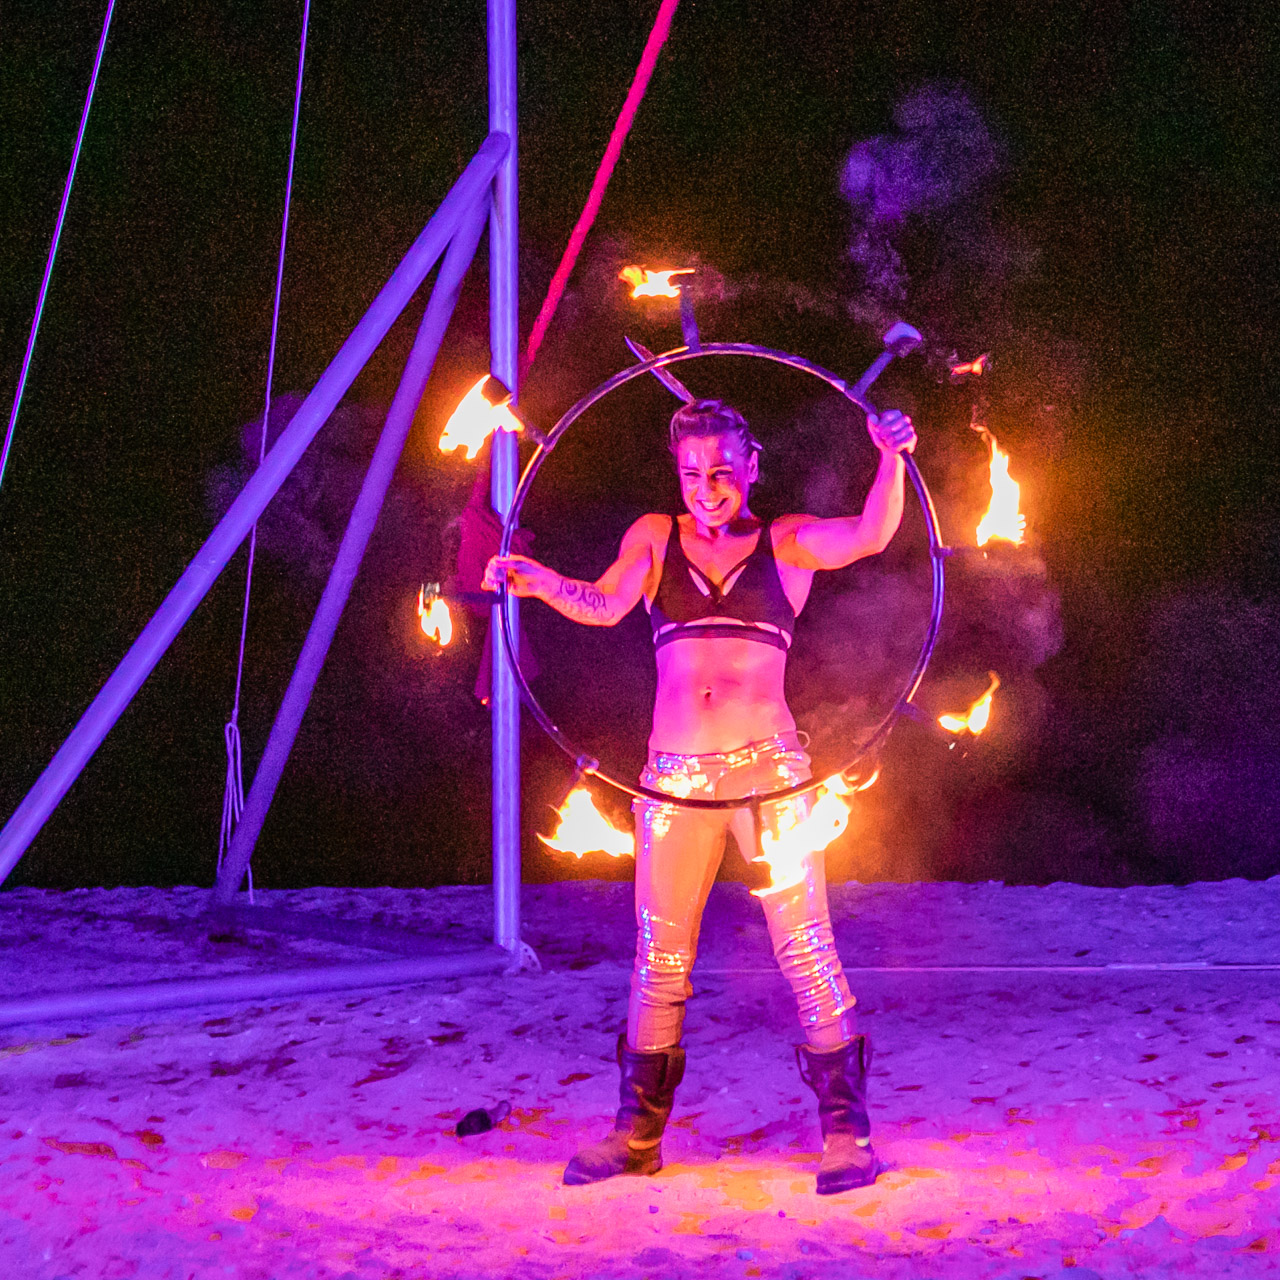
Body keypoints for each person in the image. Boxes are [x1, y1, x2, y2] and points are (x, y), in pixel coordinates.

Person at [482, 397, 917, 1195]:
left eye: (721, 470)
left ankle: (847, 1135)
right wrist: (539, 583)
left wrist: (891, 458)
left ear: (751, 467)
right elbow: (607, 603)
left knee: (806, 950)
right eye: (691, 473)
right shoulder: (654, 538)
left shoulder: (784, 543)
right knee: (660, 960)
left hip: (772, 775)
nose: (706, 487)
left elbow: (871, 533)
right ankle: (636, 1135)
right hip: (674, 780)